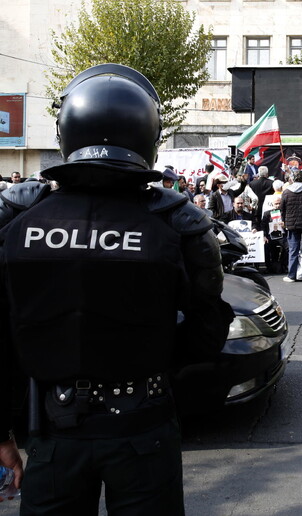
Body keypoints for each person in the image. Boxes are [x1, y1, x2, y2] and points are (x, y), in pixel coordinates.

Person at [0, 63, 232, 515]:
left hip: (54, 429)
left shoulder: (17, 222)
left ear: (66, 129)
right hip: (144, 424)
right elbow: (207, 334)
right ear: (148, 133)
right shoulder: (178, 224)